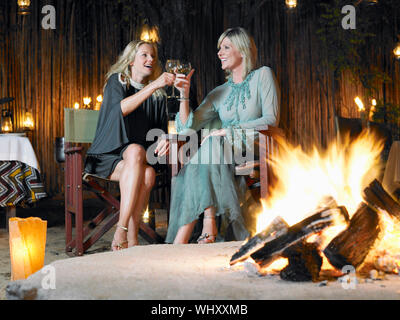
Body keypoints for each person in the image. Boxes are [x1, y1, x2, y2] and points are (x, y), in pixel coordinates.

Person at [166, 27, 280, 244]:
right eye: (219, 48)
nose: (219, 52)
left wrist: (229, 131)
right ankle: (207, 223)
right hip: (221, 151)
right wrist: (184, 94)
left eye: (226, 47)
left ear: (243, 51)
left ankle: (183, 238)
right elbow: (186, 127)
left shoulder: (263, 75)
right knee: (210, 147)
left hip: (255, 144)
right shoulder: (219, 92)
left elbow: (271, 119)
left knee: (206, 150)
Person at [84, 40, 174, 250]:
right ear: (131, 60)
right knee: (135, 150)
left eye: (152, 56)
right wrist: (155, 85)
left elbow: (158, 132)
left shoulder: (158, 95)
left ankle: (131, 242)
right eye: (144, 55)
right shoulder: (118, 81)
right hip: (106, 157)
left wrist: (163, 139)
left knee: (148, 173)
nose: (150, 59)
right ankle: (122, 230)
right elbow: (119, 110)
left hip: (137, 161)